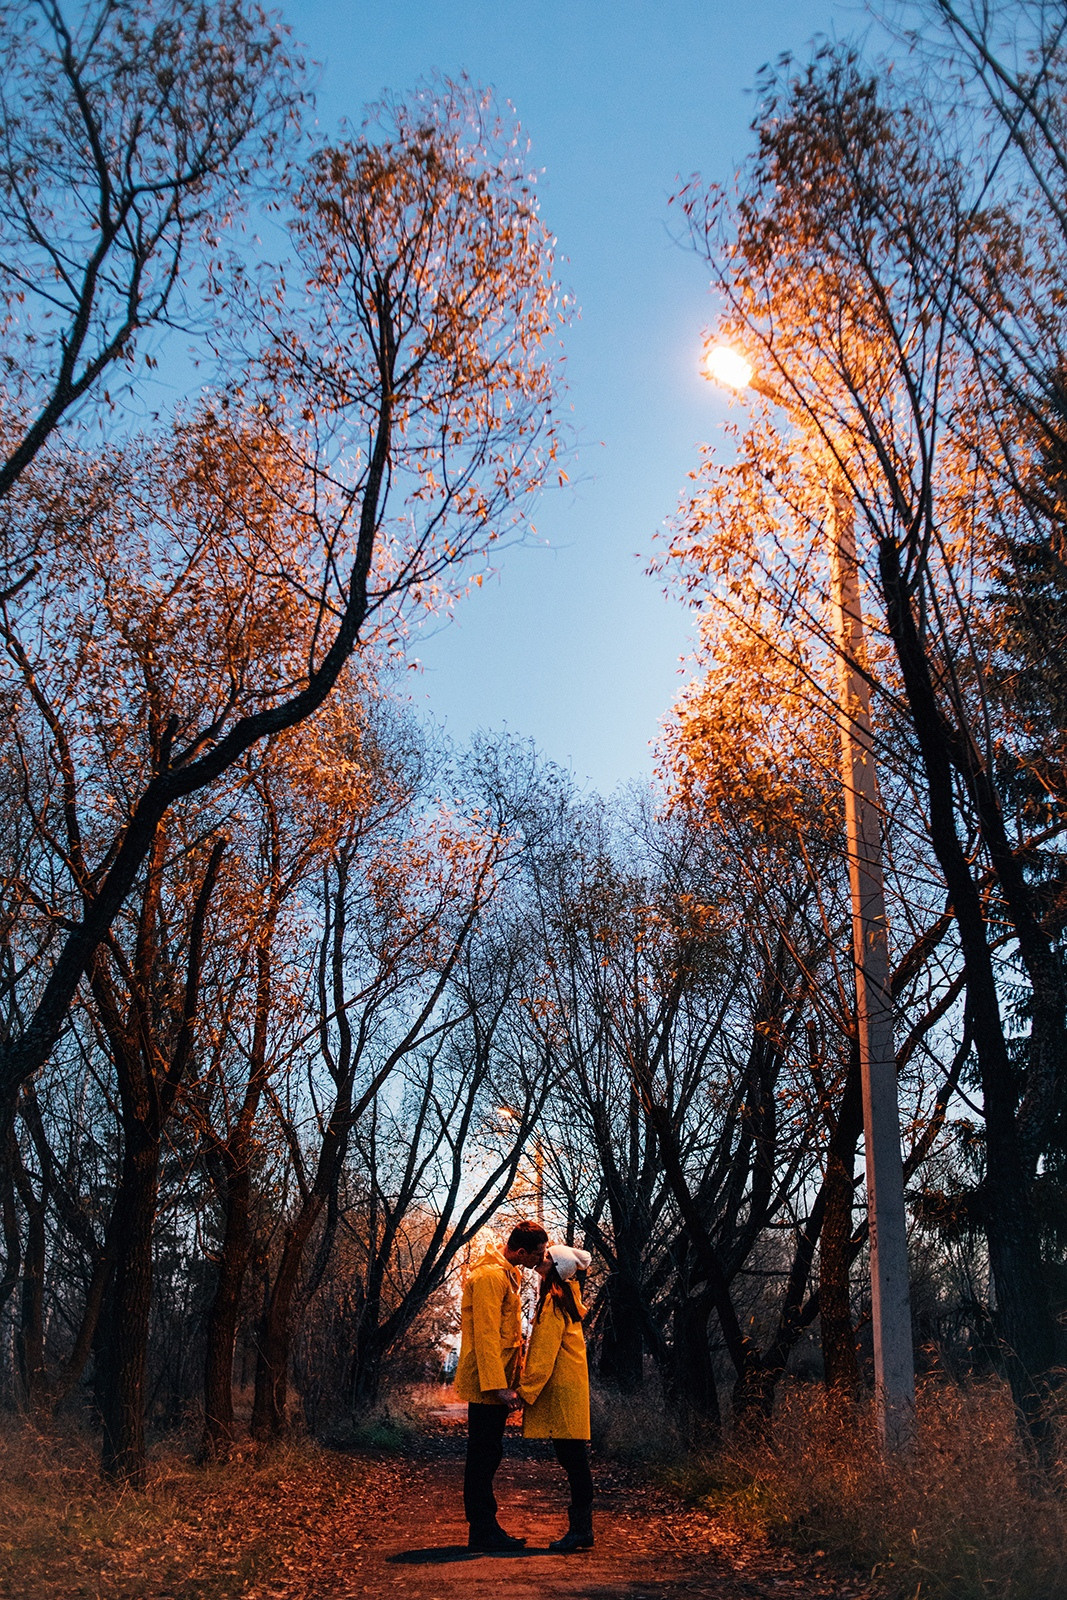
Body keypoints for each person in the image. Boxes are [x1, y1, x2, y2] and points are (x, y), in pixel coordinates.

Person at [454, 1219, 548, 1552]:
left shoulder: (509, 1272)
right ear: (521, 1251)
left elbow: (508, 1336)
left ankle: (486, 1527)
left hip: (496, 1383)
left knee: (489, 1453)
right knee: (483, 1455)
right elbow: (486, 1339)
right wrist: (498, 1387)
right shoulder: (490, 1277)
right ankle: (482, 1530)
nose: (541, 1258)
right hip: (486, 1385)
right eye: (537, 1253)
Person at [517, 1241, 595, 1553]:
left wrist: (525, 1392)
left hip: (562, 1388)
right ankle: (582, 1529)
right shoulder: (567, 1298)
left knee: (574, 1461)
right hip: (571, 1387)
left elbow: (543, 1355)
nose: (542, 1259)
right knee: (574, 1460)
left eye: (548, 1258)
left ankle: (581, 1531)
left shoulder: (553, 1302)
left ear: (557, 1269)